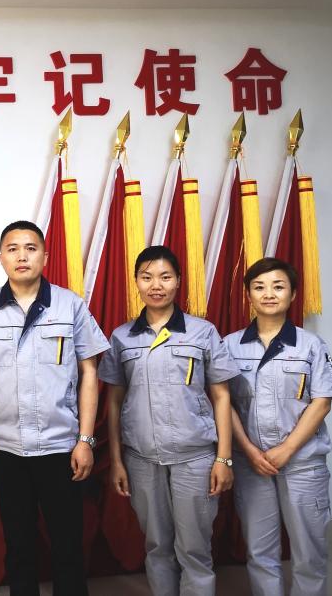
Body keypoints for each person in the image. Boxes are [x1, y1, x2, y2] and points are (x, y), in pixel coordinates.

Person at [0, 220, 109, 596]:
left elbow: (90, 373)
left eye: (30, 248)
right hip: (7, 448)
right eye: (13, 249)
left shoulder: (70, 305)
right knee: (18, 545)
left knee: (68, 546)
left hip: (61, 446)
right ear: (1, 258)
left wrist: (86, 440)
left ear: (45, 256)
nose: (22, 256)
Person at [99, 245, 239, 596]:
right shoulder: (122, 337)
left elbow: (222, 396)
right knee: (157, 545)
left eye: (165, 277)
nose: (156, 285)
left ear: (178, 281)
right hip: (142, 459)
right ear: (136, 282)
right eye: (147, 277)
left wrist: (223, 458)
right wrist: (117, 461)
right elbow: (114, 401)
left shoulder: (202, 332)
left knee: (194, 549)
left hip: (195, 458)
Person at [225, 257, 332, 596]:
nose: (269, 294)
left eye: (278, 287)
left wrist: (286, 449)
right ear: (248, 294)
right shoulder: (229, 345)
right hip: (252, 464)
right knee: (260, 552)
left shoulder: (311, 345)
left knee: (309, 553)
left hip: (302, 463)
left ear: (292, 294)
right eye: (259, 287)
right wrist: (250, 451)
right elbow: (223, 403)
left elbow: (322, 402)